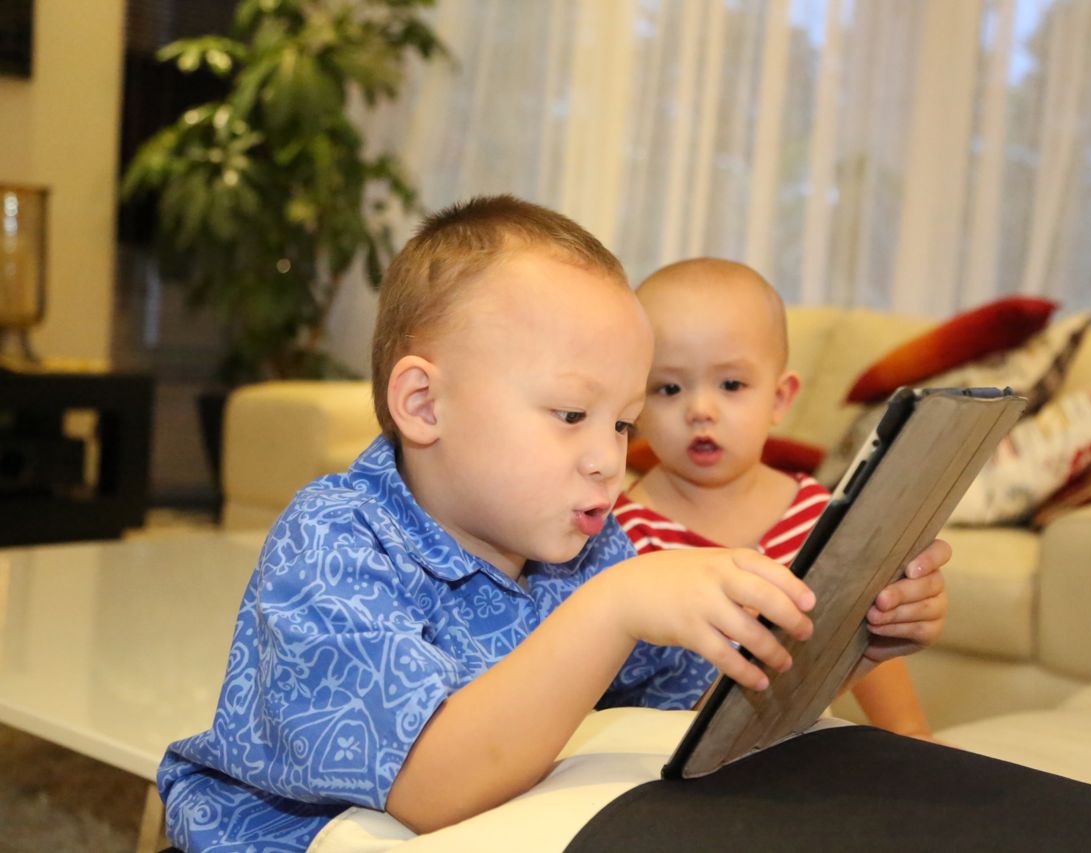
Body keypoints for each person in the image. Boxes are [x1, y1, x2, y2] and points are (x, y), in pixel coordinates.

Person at [157, 197, 950, 852]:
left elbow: (697, 727)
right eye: (572, 414)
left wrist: (844, 639)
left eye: (622, 422)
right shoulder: (335, 542)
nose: (609, 459)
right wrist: (612, 607)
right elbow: (430, 790)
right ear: (424, 405)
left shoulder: (590, 550)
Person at [615, 258, 935, 738]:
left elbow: (863, 634)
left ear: (781, 399)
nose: (700, 409)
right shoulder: (621, 536)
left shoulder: (817, 514)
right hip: (659, 759)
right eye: (669, 388)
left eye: (731, 384)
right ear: (636, 404)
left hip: (796, 749)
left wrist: (910, 730)